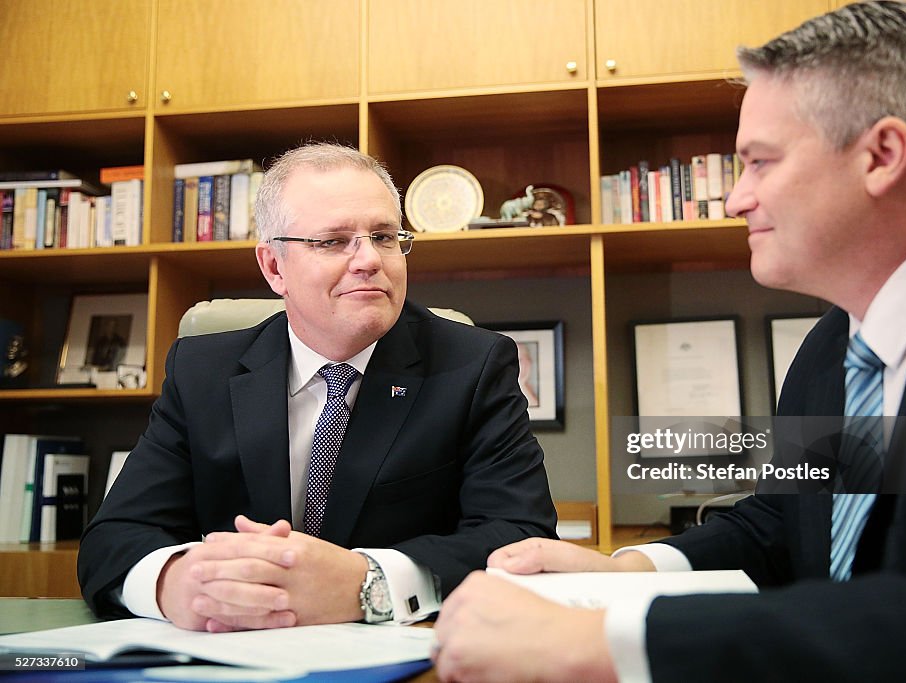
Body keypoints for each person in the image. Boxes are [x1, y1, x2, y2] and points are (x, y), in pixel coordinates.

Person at [433, 2, 906, 681]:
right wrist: (622, 568)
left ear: (882, 155)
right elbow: (782, 524)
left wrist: (609, 639)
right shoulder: (835, 346)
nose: (735, 198)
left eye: (759, 162)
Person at [78, 142, 557, 632]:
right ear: (274, 267)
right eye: (333, 241)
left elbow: (521, 537)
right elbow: (113, 538)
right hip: (236, 651)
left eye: (385, 236)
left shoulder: (474, 366)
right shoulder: (202, 371)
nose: (369, 259)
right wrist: (175, 583)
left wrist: (367, 582)